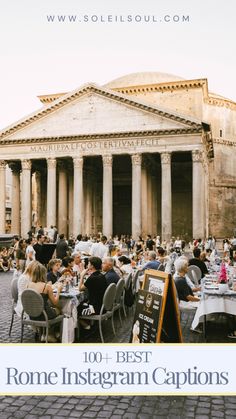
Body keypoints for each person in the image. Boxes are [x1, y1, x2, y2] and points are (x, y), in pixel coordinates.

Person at [27, 263, 63, 342]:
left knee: (47, 309)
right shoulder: (46, 286)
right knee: (59, 310)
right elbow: (55, 302)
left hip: (32, 314)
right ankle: (50, 333)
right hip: (44, 315)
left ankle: (43, 334)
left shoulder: (28, 285)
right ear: (43, 274)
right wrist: (59, 291)